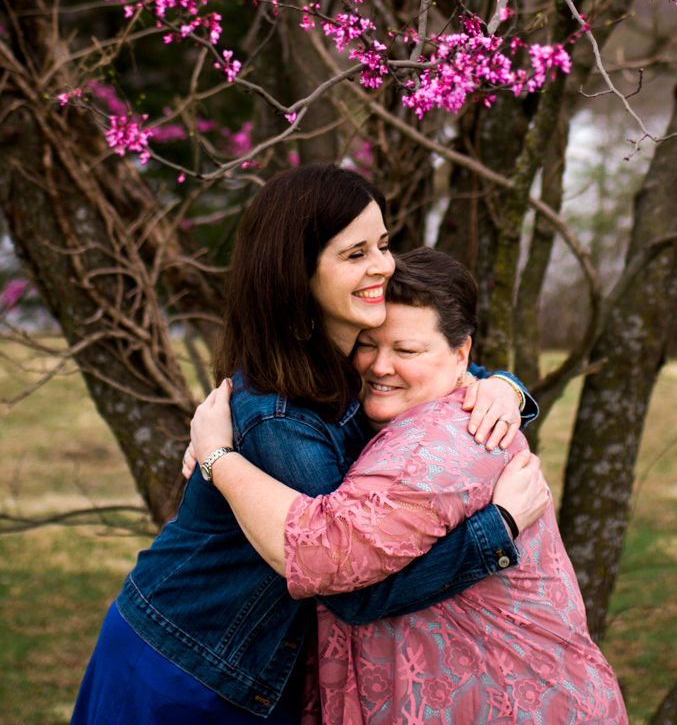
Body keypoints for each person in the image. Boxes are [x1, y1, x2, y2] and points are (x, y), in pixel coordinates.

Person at [72, 163, 547, 724]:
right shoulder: (277, 415)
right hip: (187, 666)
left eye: (383, 244)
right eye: (355, 254)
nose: (383, 267)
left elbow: (435, 369)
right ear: (298, 273)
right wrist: (498, 530)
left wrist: (503, 387)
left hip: (264, 668)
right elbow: (351, 589)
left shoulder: (352, 362)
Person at [190, 247, 628, 725]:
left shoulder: (437, 447)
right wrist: (506, 384)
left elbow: (326, 558)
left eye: (406, 351)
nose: (380, 366)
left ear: (461, 354)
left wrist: (218, 457)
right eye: (368, 344)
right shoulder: (422, 408)